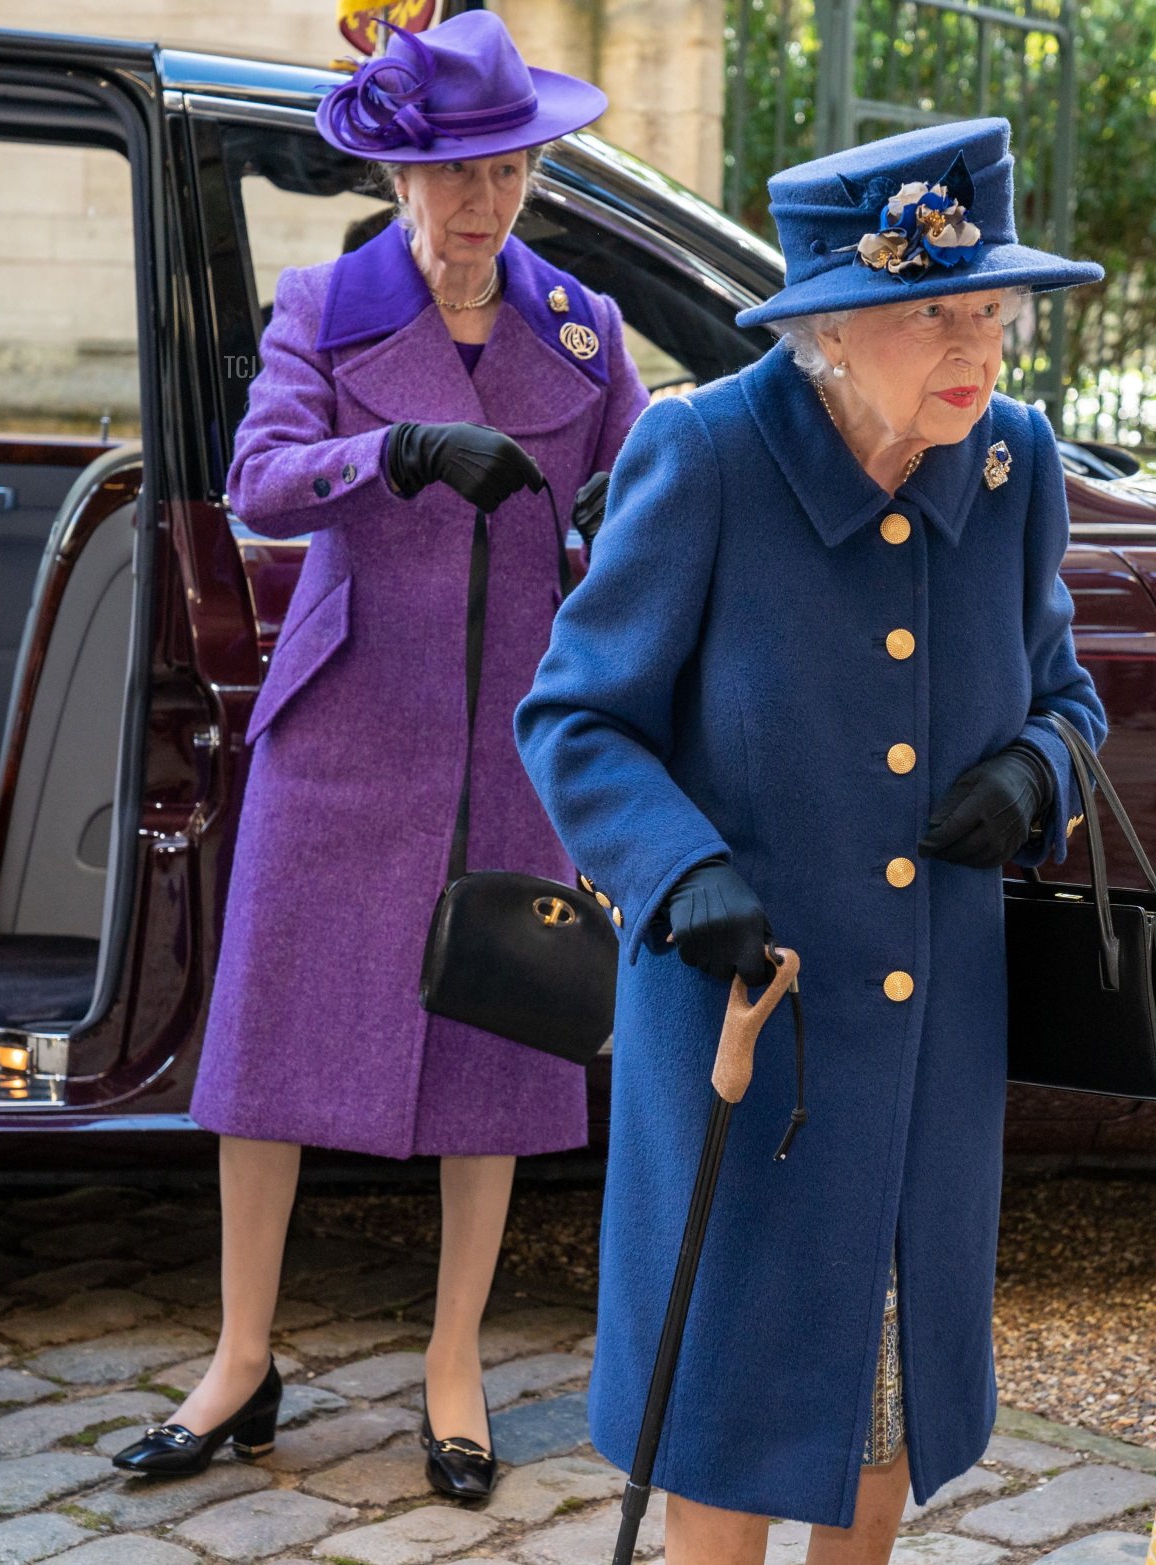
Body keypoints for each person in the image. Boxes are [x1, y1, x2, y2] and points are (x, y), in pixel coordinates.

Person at [514, 117, 1107, 1565]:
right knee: (723, 1400)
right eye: (934, 315)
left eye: (993, 310)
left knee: (887, 1408)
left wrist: (1034, 775)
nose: (980, 348)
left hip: (928, 1053)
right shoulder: (707, 455)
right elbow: (574, 719)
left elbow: (1068, 694)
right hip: (749, 1026)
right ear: (832, 332)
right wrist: (680, 867)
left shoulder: (1012, 463)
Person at [113, 11, 648, 1495]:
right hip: (343, 735)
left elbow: (655, 488)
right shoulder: (322, 310)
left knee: (496, 1049)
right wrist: (395, 454)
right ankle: (239, 1359)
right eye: (454, 176)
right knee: (268, 1058)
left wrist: (608, 531)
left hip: (510, 747)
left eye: (509, 171)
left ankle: (455, 1364)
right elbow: (261, 483)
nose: (481, 208)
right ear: (400, 176)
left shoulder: (582, 330)